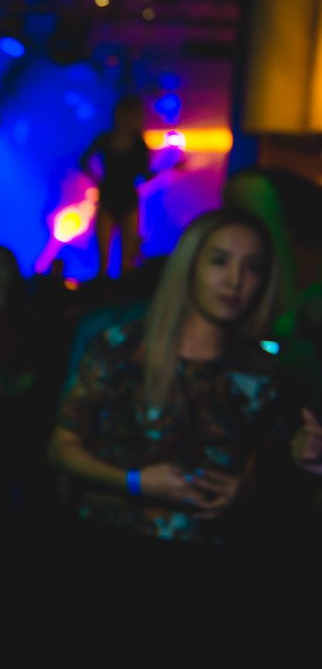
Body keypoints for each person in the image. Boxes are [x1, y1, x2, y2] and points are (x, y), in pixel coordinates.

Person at [47, 207, 285, 658]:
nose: (236, 280)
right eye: (220, 261)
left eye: (253, 267)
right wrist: (136, 481)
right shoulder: (121, 347)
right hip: (109, 558)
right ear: (190, 264)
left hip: (213, 571)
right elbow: (61, 447)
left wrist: (243, 489)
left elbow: (267, 470)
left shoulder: (263, 372)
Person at [80, 94, 153, 278]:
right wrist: (96, 178)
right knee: (104, 264)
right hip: (110, 199)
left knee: (126, 264)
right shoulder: (106, 140)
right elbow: (84, 161)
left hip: (126, 200)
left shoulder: (138, 144)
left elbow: (145, 174)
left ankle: (120, 290)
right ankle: (105, 289)